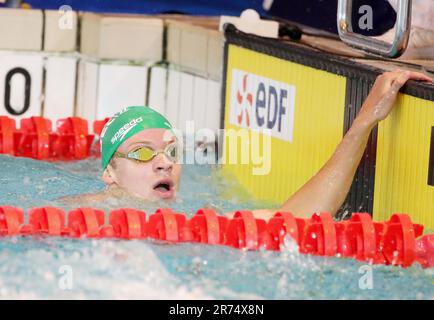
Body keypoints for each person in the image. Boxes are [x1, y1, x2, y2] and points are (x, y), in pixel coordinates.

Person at [60, 69, 432, 221]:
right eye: (142, 152)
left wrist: (364, 122)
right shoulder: (75, 219)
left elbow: (296, 218)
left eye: (172, 152)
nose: (163, 163)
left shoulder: (196, 219)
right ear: (109, 171)